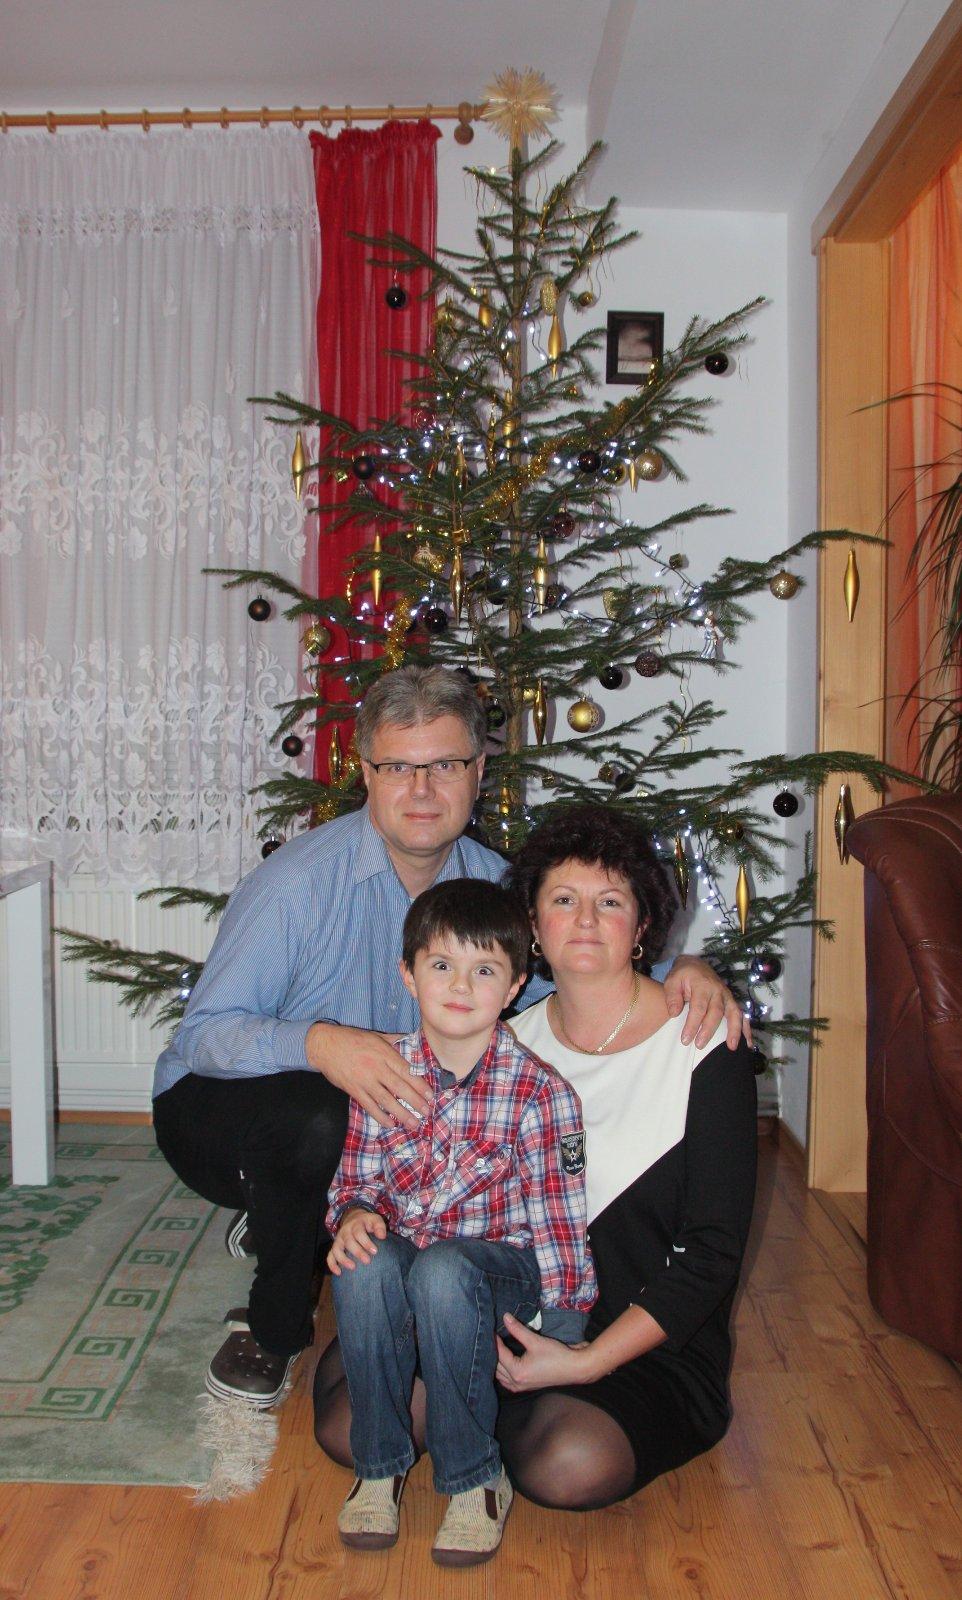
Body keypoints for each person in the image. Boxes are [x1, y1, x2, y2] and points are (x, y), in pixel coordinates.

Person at [152, 664, 743, 1406]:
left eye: (446, 765)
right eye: (399, 767)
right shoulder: (295, 887)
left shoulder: (498, 889)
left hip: (385, 1128)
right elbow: (203, 1036)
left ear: (479, 771)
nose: (423, 790)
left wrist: (688, 967)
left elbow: (588, 959)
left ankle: (296, 1208)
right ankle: (271, 1325)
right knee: (317, 1115)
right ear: (365, 772)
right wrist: (320, 1044)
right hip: (226, 1108)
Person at [314, 803, 757, 1515]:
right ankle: (475, 1421)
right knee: (345, 1427)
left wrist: (587, 1359)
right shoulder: (501, 1040)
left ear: (642, 924)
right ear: (533, 927)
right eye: (563, 900)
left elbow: (712, 1253)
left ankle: (490, 1429)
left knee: (569, 1466)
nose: (585, 920)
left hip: (640, 1338)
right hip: (500, 1307)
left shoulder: (705, 1049)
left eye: (610, 902)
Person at [328, 878, 596, 1567]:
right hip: (414, 1262)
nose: (459, 986)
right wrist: (354, 1213)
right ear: (408, 974)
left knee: (446, 1270)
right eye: (442, 965)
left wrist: (564, 1334)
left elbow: (559, 1223)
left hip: (501, 1276)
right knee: (363, 1259)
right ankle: (380, 1465)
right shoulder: (383, 1074)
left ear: (514, 987)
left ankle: (475, 1477)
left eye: (484, 971)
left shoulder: (539, 1093)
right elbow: (357, 1179)